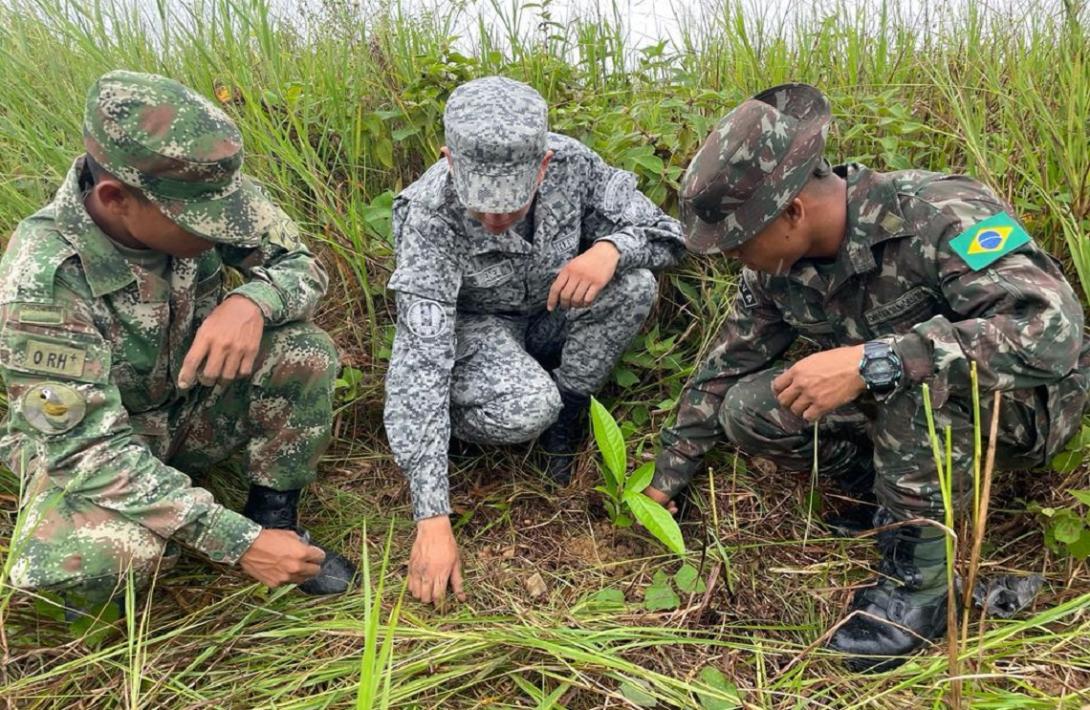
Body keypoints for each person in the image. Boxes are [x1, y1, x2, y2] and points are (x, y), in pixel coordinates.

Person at [646, 83, 1089, 671]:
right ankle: (894, 504)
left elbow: (1052, 330)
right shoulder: (778, 269)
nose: (732, 258)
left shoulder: (937, 212)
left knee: (905, 378)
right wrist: (666, 477)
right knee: (751, 408)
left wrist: (876, 361)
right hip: (919, 418)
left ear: (793, 211)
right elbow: (726, 368)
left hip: (1024, 409)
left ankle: (922, 593)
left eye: (735, 243)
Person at [1, 70, 357, 618]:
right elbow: (84, 450)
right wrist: (236, 544)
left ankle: (276, 520)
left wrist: (251, 302)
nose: (221, 230)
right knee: (86, 569)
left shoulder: (202, 191)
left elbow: (301, 264)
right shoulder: (42, 280)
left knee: (304, 352)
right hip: (101, 443)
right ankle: (200, 541)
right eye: (200, 221)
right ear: (116, 198)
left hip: (188, 404)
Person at [385, 76, 685, 606]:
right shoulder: (427, 214)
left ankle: (568, 413)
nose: (497, 219)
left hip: (550, 313)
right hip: (480, 331)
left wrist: (610, 249)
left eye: (512, 202)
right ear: (448, 159)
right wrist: (432, 516)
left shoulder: (574, 165)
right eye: (483, 205)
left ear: (543, 165)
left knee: (633, 284)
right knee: (527, 408)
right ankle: (455, 436)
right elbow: (419, 361)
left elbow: (670, 234)